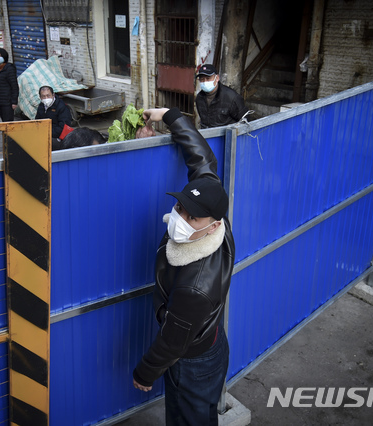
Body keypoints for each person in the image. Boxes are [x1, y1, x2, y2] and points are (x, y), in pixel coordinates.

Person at [132, 107, 235, 426]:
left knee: (188, 419)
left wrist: (145, 372)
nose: (181, 217)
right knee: (203, 413)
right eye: (180, 206)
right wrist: (172, 116)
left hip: (193, 361)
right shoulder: (217, 218)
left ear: (213, 225)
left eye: (193, 216)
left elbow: (173, 341)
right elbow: (204, 162)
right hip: (212, 342)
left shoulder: (195, 287)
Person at [195, 64, 247, 129]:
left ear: (217, 78)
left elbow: (245, 121)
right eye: (202, 79)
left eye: (208, 78)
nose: (205, 82)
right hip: (207, 135)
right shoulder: (199, 98)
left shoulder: (232, 97)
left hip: (227, 136)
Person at [0, 48, 19, 122]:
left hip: (7, 102)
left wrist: (14, 102)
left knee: (8, 123)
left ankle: (9, 134)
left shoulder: (9, 69)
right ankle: (5, 134)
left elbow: (14, 86)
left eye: (0, 56)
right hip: (0, 101)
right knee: (4, 122)